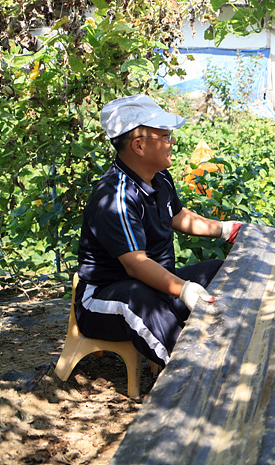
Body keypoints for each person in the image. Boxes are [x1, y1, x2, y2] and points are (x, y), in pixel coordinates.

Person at [76, 94, 242, 367]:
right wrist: (183, 289)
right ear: (139, 146)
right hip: (104, 297)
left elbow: (177, 216)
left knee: (218, 271)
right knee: (140, 302)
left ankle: (233, 344)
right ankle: (195, 371)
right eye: (164, 136)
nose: (172, 142)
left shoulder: (160, 177)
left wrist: (225, 229)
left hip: (154, 285)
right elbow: (136, 265)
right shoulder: (116, 197)